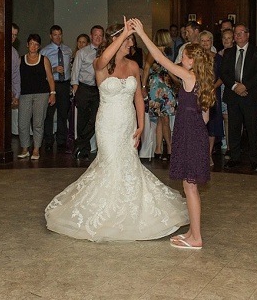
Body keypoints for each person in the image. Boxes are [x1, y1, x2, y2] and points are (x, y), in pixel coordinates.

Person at [45, 19, 188, 243]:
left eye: (131, 39)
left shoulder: (133, 66)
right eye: (128, 39)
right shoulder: (100, 64)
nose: (131, 43)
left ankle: (129, 209)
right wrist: (123, 33)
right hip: (108, 123)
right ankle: (106, 212)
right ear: (116, 40)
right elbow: (103, 59)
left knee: (128, 164)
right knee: (110, 163)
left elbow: (138, 97)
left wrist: (141, 125)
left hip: (127, 122)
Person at [132, 17, 215, 249]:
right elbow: (205, 117)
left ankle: (196, 238)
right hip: (196, 133)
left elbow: (160, 59)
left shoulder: (189, 77)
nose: (181, 59)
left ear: (191, 61)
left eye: (185, 57)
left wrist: (142, 33)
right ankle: (192, 232)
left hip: (189, 135)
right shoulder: (202, 80)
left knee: (190, 187)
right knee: (190, 186)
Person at [221, 24, 257, 172]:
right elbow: (224, 73)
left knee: (252, 129)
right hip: (233, 95)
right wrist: (235, 87)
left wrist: (244, 86)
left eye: (241, 33)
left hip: (250, 95)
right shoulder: (228, 52)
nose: (238, 35)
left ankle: (255, 160)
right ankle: (234, 158)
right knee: (234, 128)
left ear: (248, 35)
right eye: (236, 33)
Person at [16, 33, 56, 160]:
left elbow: (50, 77)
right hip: (24, 95)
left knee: (38, 123)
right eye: (31, 44)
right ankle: (25, 148)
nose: (33, 46)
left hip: (41, 94)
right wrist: (15, 94)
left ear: (39, 46)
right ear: (27, 44)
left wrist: (52, 93)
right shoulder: (20, 59)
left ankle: (36, 149)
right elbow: (16, 78)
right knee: (22, 123)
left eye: (36, 44)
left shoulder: (44, 60)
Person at [141, 29, 177, 161]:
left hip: (165, 88)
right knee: (164, 119)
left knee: (162, 119)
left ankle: (158, 149)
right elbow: (146, 68)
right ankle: (170, 148)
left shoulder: (163, 52)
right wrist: (143, 87)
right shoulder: (154, 52)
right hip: (157, 89)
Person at [71, 25, 104, 161]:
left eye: (100, 35)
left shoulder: (106, 52)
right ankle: (84, 150)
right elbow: (75, 72)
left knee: (96, 118)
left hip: (99, 89)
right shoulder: (82, 52)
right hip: (84, 88)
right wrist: (76, 89)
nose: (98, 38)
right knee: (82, 120)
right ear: (91, 36)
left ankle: (79, 142)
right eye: (95, 35)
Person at [40, 25, 72, 151]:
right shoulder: (44, 51)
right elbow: (41, 71)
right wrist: (53, 69)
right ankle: (48, 140)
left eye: (59, 35)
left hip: (64, 84)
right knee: (49, 114)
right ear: (50, 36)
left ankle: (61, 141)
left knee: (63, 113)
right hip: (51, 84)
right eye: (55, 35)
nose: (58, 37)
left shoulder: (68, 50)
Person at [199, 31, 223, 165]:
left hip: (213, 94)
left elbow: (222, 76)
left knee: (212, 124)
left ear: (212, 42)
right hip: (198, 94)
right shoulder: (195, 57)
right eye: (202, 41)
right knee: (199, 124)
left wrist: (212, 87)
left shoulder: (218, 58)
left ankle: (208, 155)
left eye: (207, 40)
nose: (205, 43)